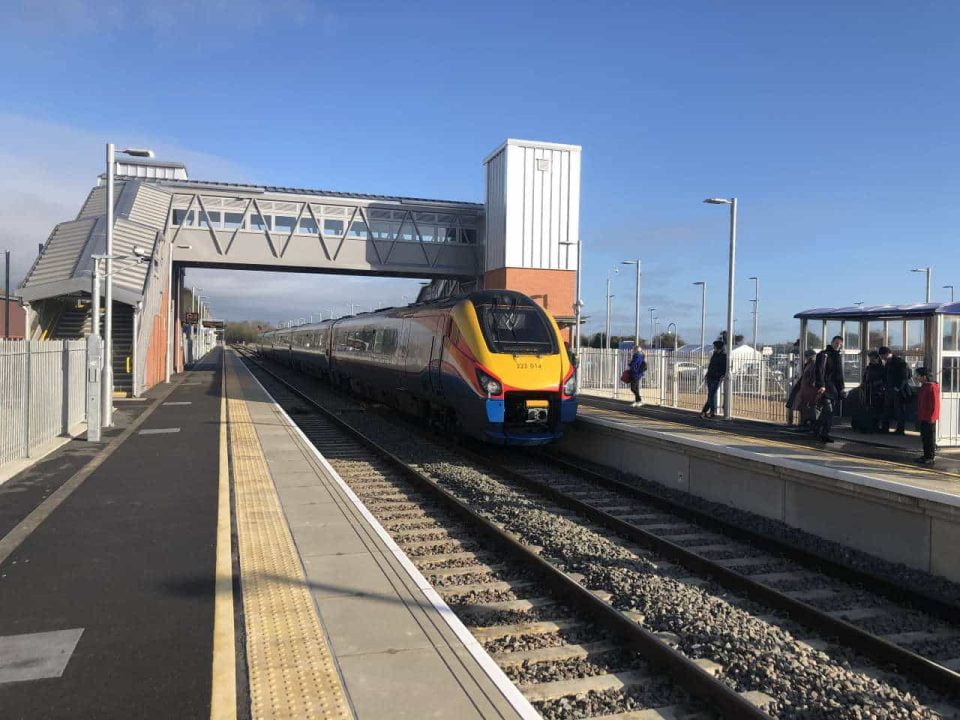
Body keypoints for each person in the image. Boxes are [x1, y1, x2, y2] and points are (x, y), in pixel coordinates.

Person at [814, 335, 845, 443]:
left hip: (835, 389)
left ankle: (817, 429)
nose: (838, 345)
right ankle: (823, 433)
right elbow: (819, 371)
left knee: (828, 412)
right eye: (836, 343)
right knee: (828, 410)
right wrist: (821, 385)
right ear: (832, 342)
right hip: (825, 388)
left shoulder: (838, 356)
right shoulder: (824, 355)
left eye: (840, 344)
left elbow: (839, 374)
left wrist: (842, 388)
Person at [879, 346, 911, 434]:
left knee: (899, 410)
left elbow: (904, 377)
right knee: (887, 409)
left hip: (898, 391)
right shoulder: (889, 362)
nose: (882, 358)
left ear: (887, 354)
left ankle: (900, 429)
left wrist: (897, 388)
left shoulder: (899, 362)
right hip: (890, 389)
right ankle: (885, 428)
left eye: (882, 356)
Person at [788, 349, 819, 430]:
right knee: (804, 406)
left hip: (808, 389)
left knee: (806, 407)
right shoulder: (810, 364)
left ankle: (808, 424)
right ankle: (805, 423)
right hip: (805, 389)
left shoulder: (812, 365)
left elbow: (811, 377)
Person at [915, 366, 940, 465]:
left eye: (918, 376)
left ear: (924, 377)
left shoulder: (932, 386)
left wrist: (932, 417)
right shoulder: (924, 386)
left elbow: (935, 404)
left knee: (930, 437)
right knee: (924, 437)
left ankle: (930, 456)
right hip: (923, 415)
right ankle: (926, 455)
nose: (917, 378)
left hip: (929, 417)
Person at [700, 340, 726, 419]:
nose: (714, 348)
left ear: (719, 347)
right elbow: (711, 365)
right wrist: (707, 374)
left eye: (715, 346)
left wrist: (721, 375)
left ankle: (710, 411)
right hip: (710, 376)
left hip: (717, 377)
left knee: (711, 395)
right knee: (711, 395)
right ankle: (705, 411)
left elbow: (724, 368)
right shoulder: (714, 355)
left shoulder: (724, 356)